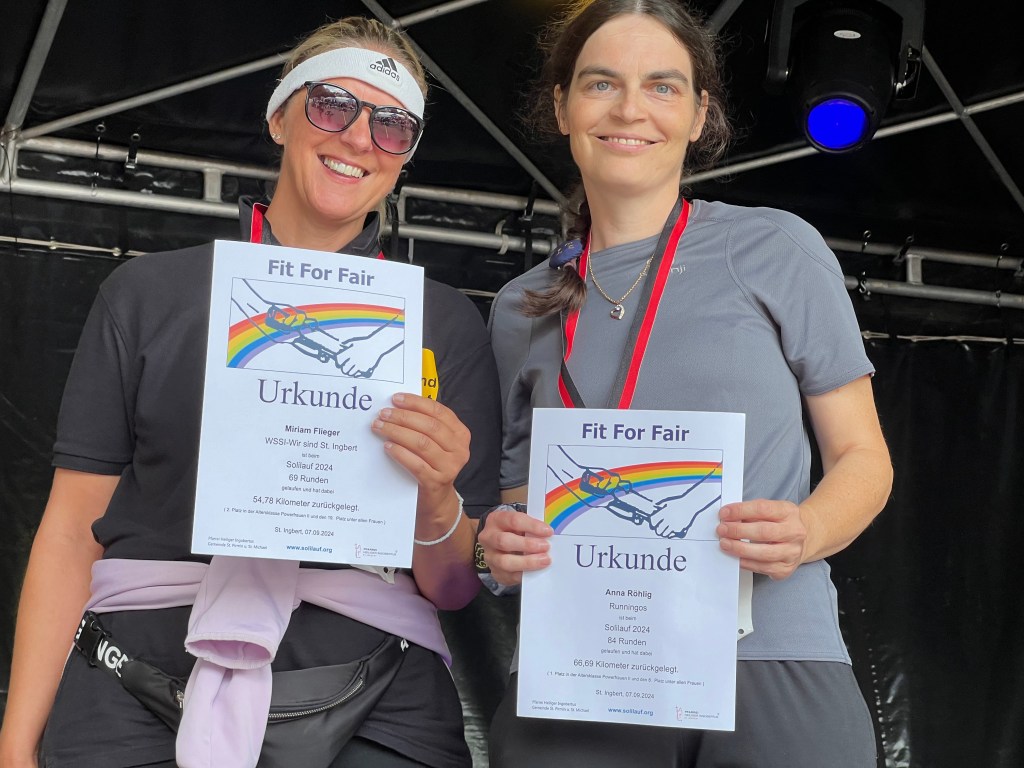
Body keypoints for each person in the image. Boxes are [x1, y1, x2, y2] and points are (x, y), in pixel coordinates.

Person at [0, 16, 499, 768]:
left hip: (377, 698)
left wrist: (436, 496)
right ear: (279, 117)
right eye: (332, 105)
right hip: (129, 686)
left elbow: (455, 588)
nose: (359, 137)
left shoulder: (443, 322)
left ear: (406, 157)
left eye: (393, 125)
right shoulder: (145, 295)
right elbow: (72, 530)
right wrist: (16, 740)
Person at [478, 0, 893, 766]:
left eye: (662, 86)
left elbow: (864, 459)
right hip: (583, 668)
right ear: (562, 106)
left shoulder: (775, 249)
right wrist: (496, 545)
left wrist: (806, 531)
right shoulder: (518, 308)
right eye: (601, 83)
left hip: (770, 654)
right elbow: (516, 500)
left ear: (700, 115)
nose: (629, 108)